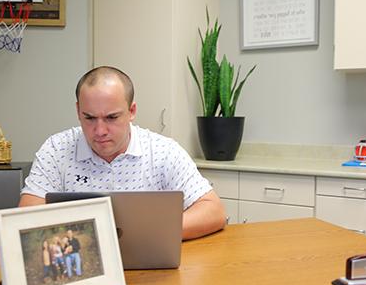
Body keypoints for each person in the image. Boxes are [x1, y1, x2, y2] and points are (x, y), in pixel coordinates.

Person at [19, 66, 226, 240]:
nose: (99, 131)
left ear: (132, 111)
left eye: (111, 117)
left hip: (151, 265)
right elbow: (26, 215)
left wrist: (151, 233)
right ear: (78, 111)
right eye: (89, 118)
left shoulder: (163, 151)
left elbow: (213, 210)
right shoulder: (56, 149)